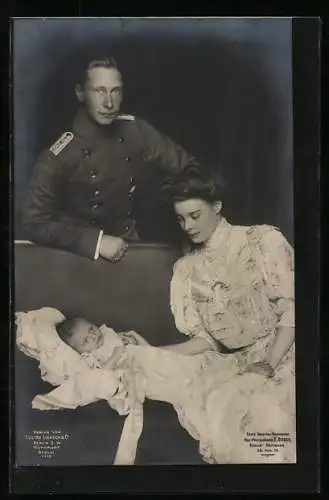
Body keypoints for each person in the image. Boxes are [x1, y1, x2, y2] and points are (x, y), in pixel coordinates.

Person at [123, 169, 296, 463]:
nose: (188, 226)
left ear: (217, 206)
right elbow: (207, 341)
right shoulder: (187, 270)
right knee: (225, 415)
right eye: (180, 219)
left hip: (285, 353)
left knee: (267, 424)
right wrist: (150, 351)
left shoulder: (261, 241)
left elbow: (294, 307)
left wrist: (268, 364)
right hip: (235, 363)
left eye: (195, 215)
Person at [22, 56, 202, 262]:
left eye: (115, 91)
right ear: (80, 93)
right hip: (74, 255)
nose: (109, 103)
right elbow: (33, 223)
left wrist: (190, 224)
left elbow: (189, 168)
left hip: (129, 246)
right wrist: (96, 242)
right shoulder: (60, 152)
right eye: (99, 91)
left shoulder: (136, 130)